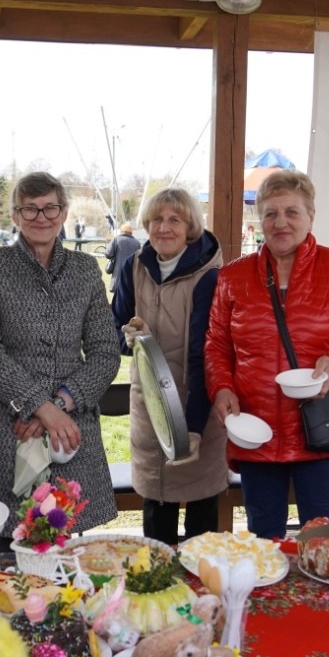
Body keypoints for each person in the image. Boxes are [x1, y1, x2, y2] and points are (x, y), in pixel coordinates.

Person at [206, 170, 329, 539]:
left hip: (322, 432)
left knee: (323, 542)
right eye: (270, 213)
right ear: (259, 219)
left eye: (292, 212)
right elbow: (217, 345)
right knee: (264, 542)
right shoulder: (233, 277)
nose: (280, 222)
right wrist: (221, 388)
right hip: (256, 430)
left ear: (311, 216)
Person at [0, 171, 120, 540]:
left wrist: (58, 407)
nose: (41, 217)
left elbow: (105, 352)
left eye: (50, 208)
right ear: (15, 216)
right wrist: (39, 407)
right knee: (16, 536)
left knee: (70, 537)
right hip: (9, 427)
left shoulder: (84, 270)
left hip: (70, 429)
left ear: (63, 213)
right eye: (30, 209)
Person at [111, 188, 226, 544]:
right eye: (157, 219)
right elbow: (115, 331)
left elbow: (206, 356)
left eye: (175, 219)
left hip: (198, 407)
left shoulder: (210, 276)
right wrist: (131, 337)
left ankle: (200, 577)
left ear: (190, 226)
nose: (164, 227)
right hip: (150, 409)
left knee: (201, 525)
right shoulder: (133, 267)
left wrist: (194, 427)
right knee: (156, 514)